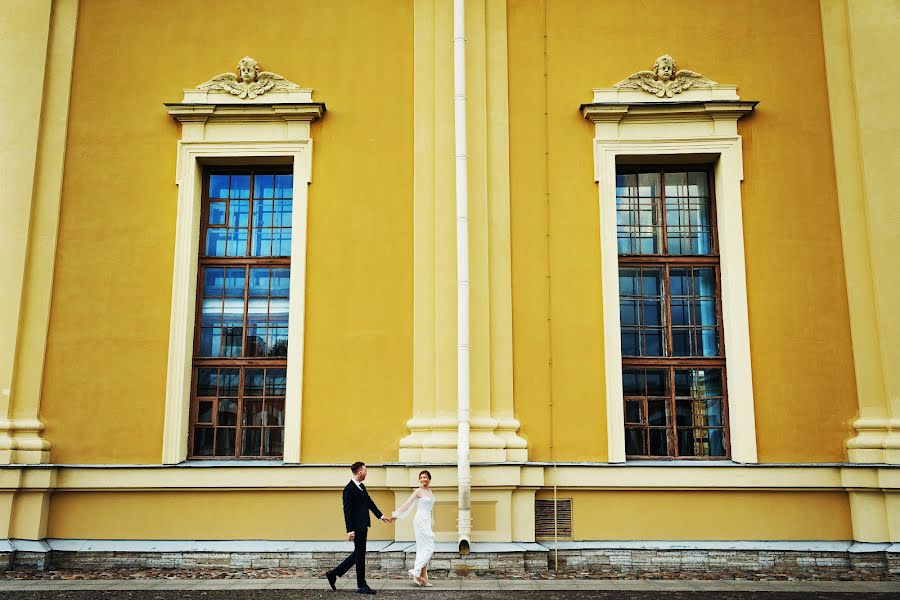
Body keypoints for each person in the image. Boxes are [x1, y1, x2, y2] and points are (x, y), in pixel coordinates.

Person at [325, 462, 394, 595]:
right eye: (365, 471)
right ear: (359, 472)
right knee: (360, 555)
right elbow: (347, 511)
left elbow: (369, 503)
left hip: (363, 525)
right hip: (356, 528)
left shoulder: (362, 487)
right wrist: (350, 530)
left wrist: (381, 516)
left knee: (358, 554)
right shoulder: (349, 489)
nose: (366, 473)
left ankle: (334, 574)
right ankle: (361, 585)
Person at [392, 469, 436, 587]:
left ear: (429, 479)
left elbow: (431, 509)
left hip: (427, 521)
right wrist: (396, 515)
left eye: (425, 477)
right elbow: (407, 504)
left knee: (423, 548)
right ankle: (416, 571)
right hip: (420, 521)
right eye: (421, 477)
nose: (423, 479)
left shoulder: (430, 491)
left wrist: (432, 523)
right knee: (430, 547)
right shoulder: (418, 491)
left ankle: (423, 577)